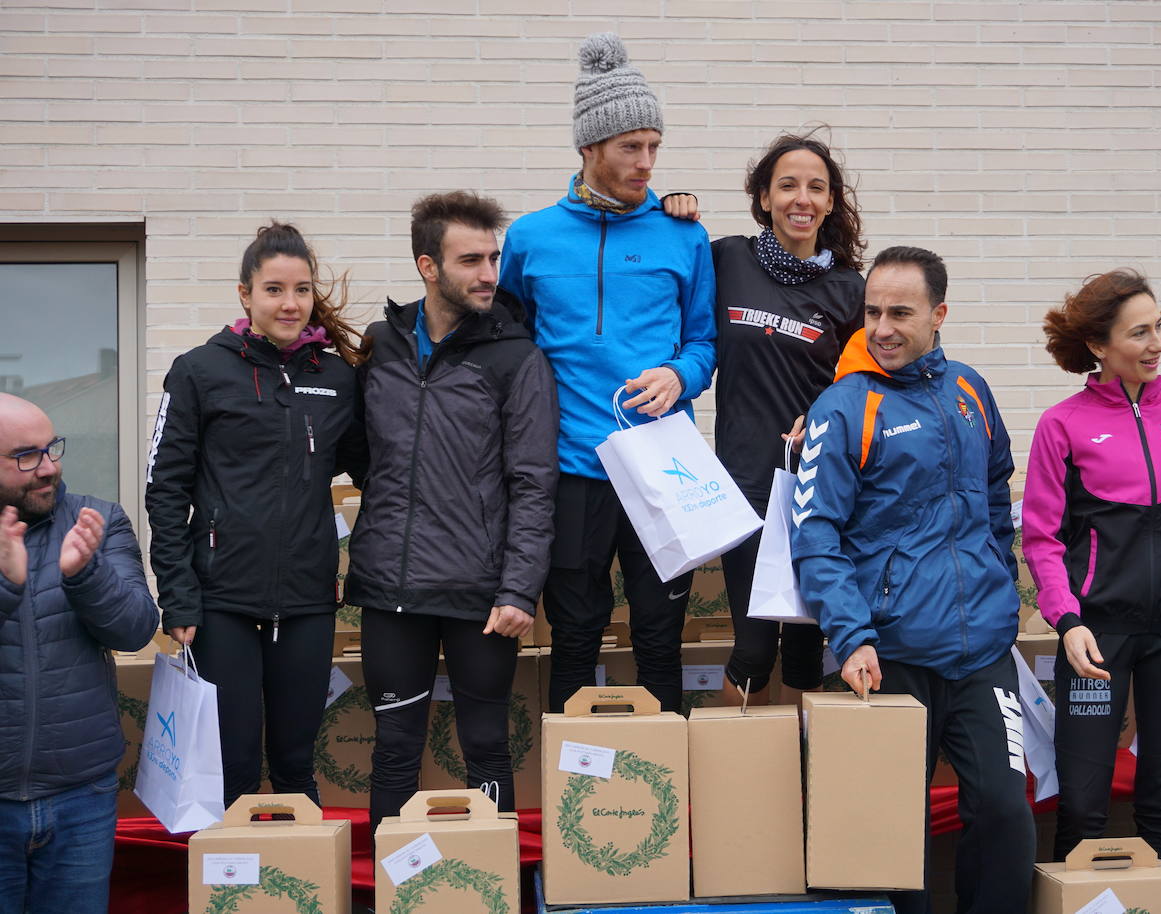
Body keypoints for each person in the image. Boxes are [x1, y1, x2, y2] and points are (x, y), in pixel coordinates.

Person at [791, 247, 1034, 913]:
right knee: (894, 834)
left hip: (982, 652)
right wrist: (853, 634)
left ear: (940, 314)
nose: (882, 328)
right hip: (889, 655)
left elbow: (993, 495)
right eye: (872, 312)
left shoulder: (970, 391)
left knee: (1006, 813)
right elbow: (814, 535)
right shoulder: (842, 408)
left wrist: (1000, 587)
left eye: (900, 312)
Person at [499, 32, 716, 714]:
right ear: (589, 148)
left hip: (661, 465)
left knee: (660, 634)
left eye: (655, 145)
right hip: (570, 469)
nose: (648, 162)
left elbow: (705, 341)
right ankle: (577, 782)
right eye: (631, 147)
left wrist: (682, 376)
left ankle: (666, 790)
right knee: (574, 634)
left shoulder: (684, 234)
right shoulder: (530, 237)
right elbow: (509, 346)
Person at [344, 191, 558, 828]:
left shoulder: (516, 357)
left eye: (493, 258)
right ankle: (395, 891)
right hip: (391, 589)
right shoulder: (381, 344)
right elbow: (364, 454)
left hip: (481, 597)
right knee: (395, 754)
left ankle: (493, 891)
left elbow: (533, 482)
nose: (489, 274)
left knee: (488, 749)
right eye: (471, 260)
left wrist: (520, 589)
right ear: (427, 266)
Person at [145, 222, 368, 809]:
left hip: (307, 601)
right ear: (245, 294)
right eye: (274, 289)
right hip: (222, 602)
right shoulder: (199, 371)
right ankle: (234, 893)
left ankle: (304, 885)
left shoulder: (336, 378)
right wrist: (179, 595)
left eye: (301, 289)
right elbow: (164, 489)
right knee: (233, 763)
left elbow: (377, 472)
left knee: (296, 761)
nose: (289, 303)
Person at [1020, 269, 1161, 865]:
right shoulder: (1063, 424)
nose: (1156, 343)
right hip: (1096, 635)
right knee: (1083, 803)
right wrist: (1067, 620)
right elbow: (1041, 538)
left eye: (1158, 327)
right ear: (1098, 346)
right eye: (1139, 333)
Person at [706, 132, 865, 704]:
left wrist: (822, 413)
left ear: (830, 203)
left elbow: (865, 385)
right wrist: (668, 207)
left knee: (803, 646)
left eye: (817, 188)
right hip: (744, 481)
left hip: (817, 486)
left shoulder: (851, 290)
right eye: (789, 185)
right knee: (752, 650)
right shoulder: (726, 259)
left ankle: (802, 778)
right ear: (765, 197)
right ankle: (741, 777)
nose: (803, 198)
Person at [0, 394, 159, 913]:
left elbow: (137, 629)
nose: (48, 468)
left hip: (80, 795)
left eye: (51, 449)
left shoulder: (98, 520)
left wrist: (85, 575)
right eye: (25, 456)